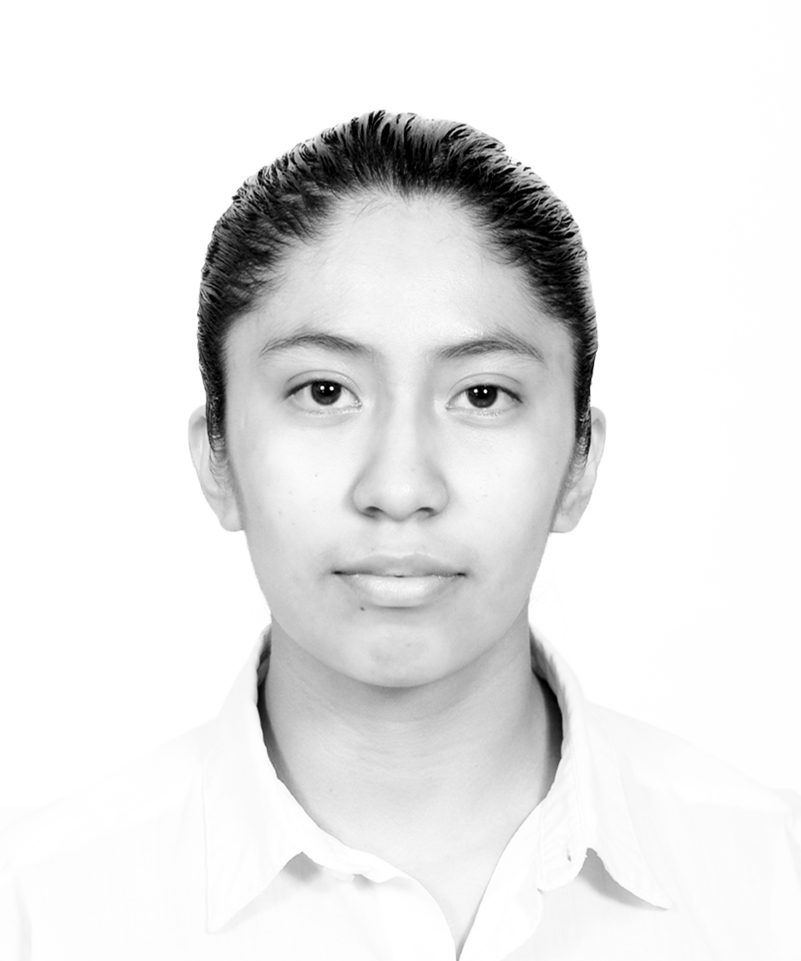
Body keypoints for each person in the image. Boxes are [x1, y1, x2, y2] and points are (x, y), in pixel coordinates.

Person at [1, 110, 799, 960]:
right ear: (217, 457)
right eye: (322, 391)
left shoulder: (772, 881)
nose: (400, 488)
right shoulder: (38, 907)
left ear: (578, 462)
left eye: (482, 395)